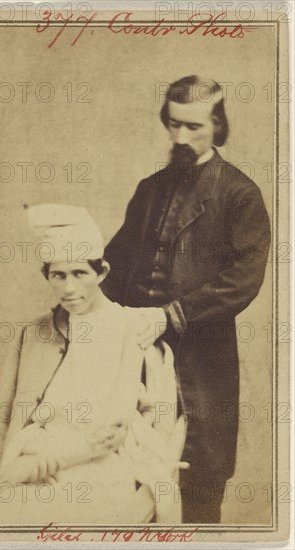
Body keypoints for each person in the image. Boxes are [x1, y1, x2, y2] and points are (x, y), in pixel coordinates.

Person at [102, 75, 271, 523]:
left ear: (218, 125)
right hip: (136, 357)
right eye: (173, 124)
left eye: (193, 127)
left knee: (198, 482)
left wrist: (171, 315)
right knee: (127, 480)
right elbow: (115, 267)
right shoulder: (148, 189)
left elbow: (242, 280)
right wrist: (82, 299)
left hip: (201, 360)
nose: (180, 137)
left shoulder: (239, 195)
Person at [0, 204, 187, 524]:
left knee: (74, 521)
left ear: (101, 272)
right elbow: (4, 416)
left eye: (80, 274)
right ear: (45, 275)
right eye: (58, 275)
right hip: (35, 461)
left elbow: (110, 432)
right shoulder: (34, 334)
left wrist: (37, 464)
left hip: (100, 465)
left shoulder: (130, 327)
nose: (70, 288)